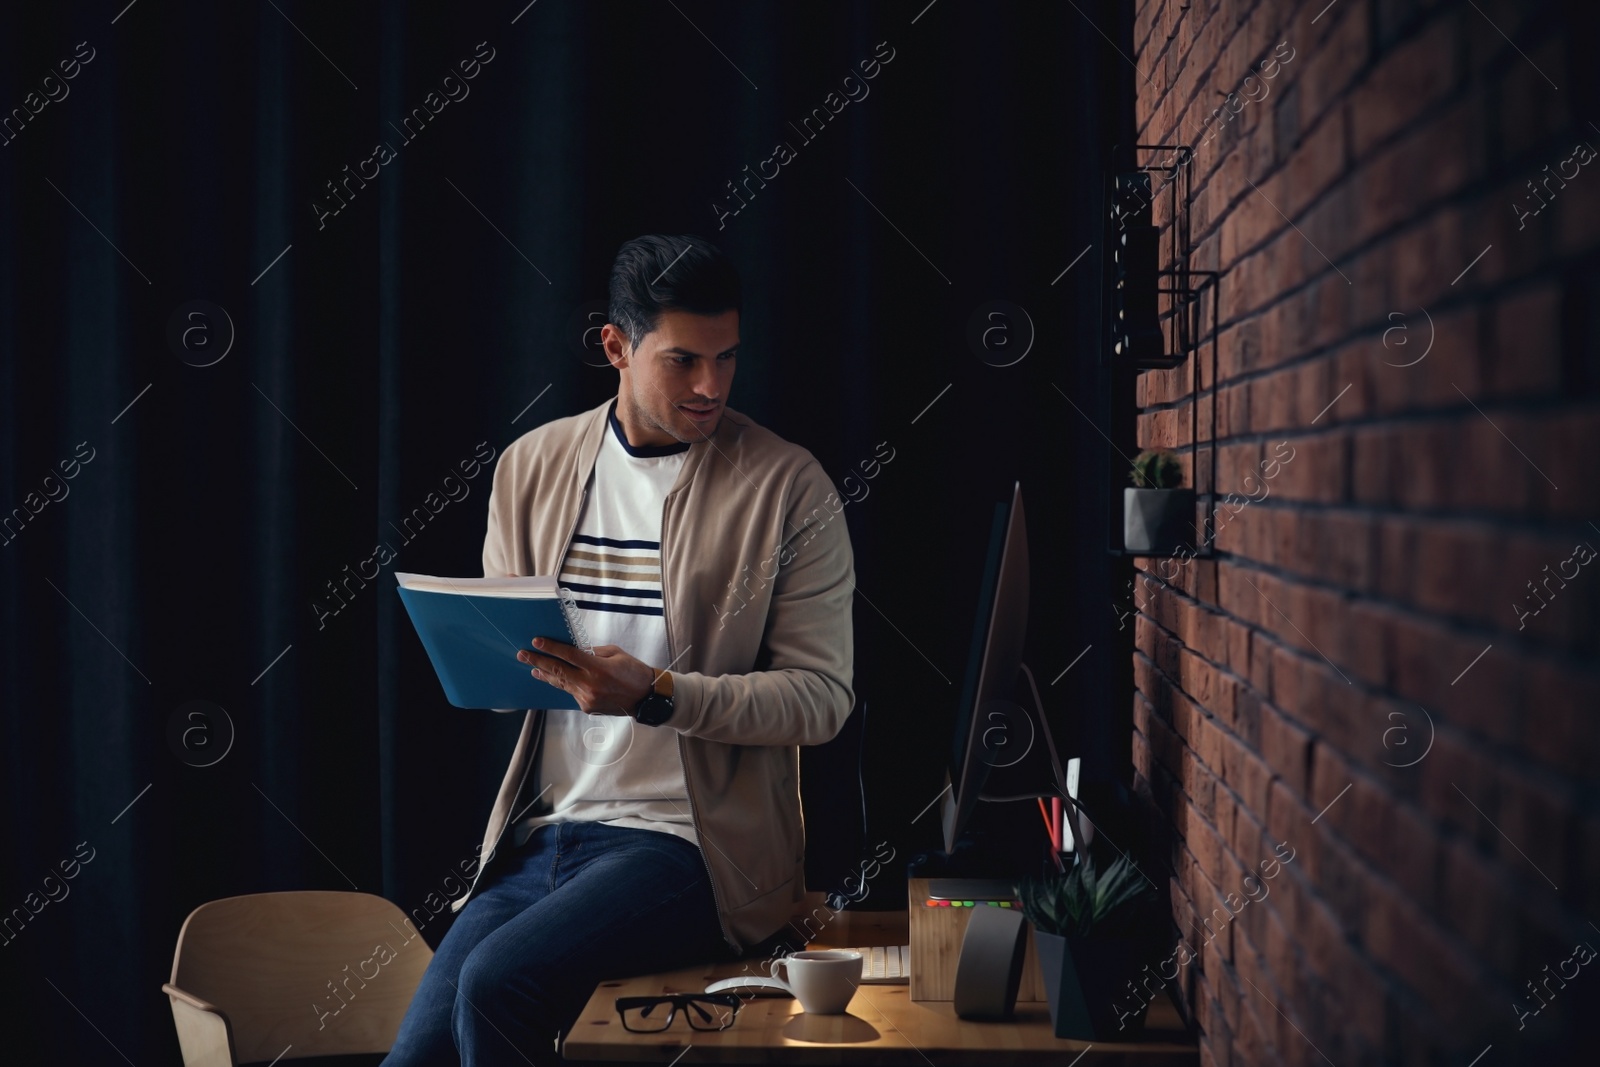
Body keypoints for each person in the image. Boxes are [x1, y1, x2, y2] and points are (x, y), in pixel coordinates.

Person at [383, 234, 856, 1066]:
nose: (711, 385)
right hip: (545, 834)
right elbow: (511, 675)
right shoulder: (530, 467)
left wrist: (661, 693)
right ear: (616, 345)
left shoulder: (789, 486)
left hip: (691, 851)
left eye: (726, 358)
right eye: (683, 361)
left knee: (498, 984)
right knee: (415, 1055)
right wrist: (481, 657)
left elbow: (821, 697)